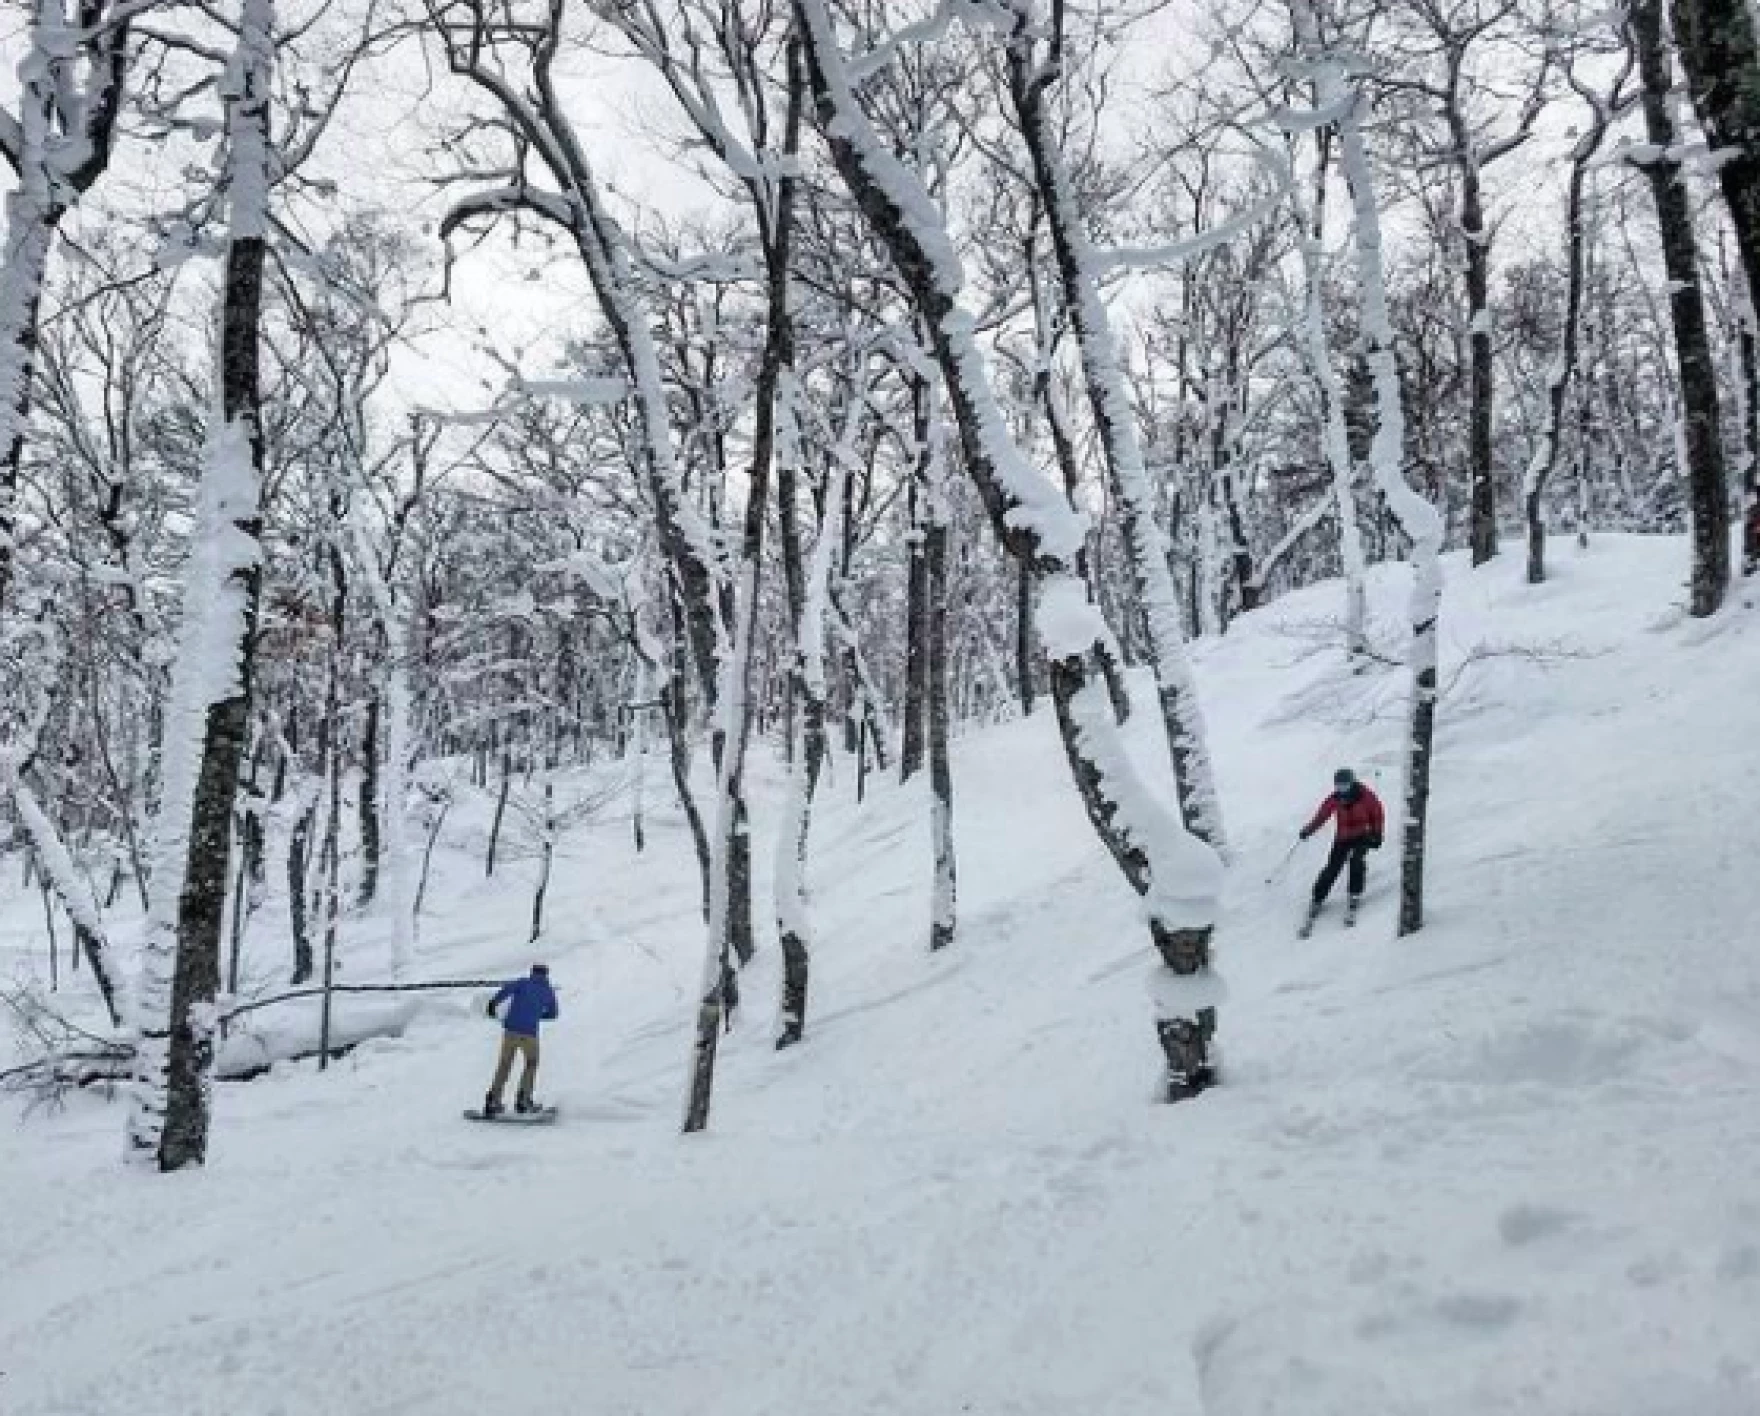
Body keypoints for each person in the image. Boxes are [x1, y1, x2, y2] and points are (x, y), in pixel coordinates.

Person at [1298, 768, 1385, 929]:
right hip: (1343, 838)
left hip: (1362, 836)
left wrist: (1377, 834)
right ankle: (1317, 899)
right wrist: (1308, 830)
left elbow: (1377, 814)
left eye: (1344, 786)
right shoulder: (1335, 798)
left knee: (1357, 862)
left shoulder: (1366, 796)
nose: (1341, 790)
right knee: (1332, 868)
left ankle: (1354, 894)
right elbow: (1322, 816)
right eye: (1338, 786)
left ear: (1352, 783)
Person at [482, 963, 559, 1117]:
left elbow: (505, 991)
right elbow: (553, 1013)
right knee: (531, 1063)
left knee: (504, 1064)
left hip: (510, 1030)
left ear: (532, 972)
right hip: (529, 1033)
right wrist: (537, 1015)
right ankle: (523, 1100)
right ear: (546, 974)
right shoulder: (548, 991)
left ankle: (493, 1101)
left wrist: (492, 1004)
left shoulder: (522, 982)